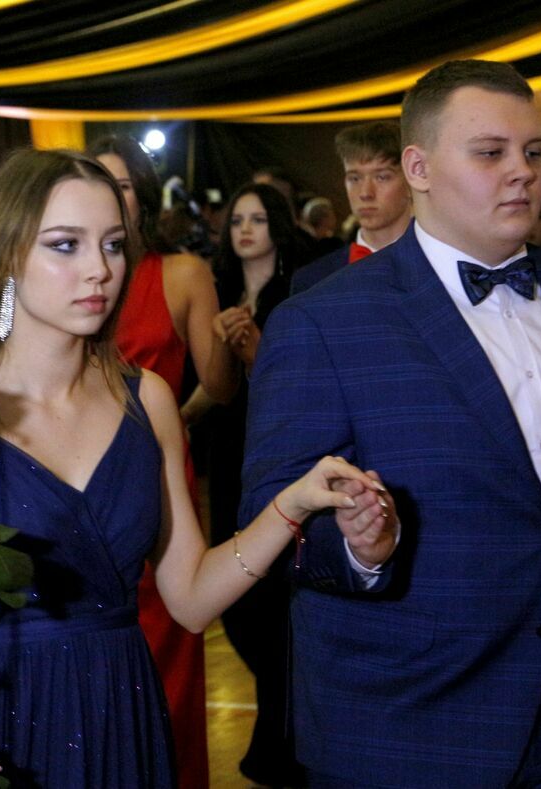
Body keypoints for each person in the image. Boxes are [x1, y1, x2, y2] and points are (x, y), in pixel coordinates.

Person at [0, 147, 384, 789]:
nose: (100, 270)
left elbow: (191, 598)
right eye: (66, 245)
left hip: (127, 719)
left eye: (113, 245)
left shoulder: (148, 401)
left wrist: (292, 504)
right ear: (6, 255)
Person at [242, 60, 541, 785]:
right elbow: (273, 527)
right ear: (419, 168)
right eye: (490, 152)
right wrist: (362, 548)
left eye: (533, 151)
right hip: (414, 714)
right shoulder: (322, 322)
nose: (522, 172)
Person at [88, 134, 237, 788]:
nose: (109, 198)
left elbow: (219, 386)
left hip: (154, 481)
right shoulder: (53, 271)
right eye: (97, 183)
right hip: (71, 481)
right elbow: (9, 349)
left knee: (167, 652)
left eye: (121, 186)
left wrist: (225, 348)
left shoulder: (181, 272)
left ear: (141, 197)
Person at [199, 182, 315, 786]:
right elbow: (216, 388)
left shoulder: (296, 292)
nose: (245, 229)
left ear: (278, 226)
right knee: (234, 597)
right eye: (237, 220)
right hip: (228, 449)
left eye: (258, 219)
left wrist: (254, 350)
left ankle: (282, 738)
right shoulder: (219, 291)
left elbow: (293, 385)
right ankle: (280, 729)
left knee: (268, 597)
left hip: (277, 451)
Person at [291, 121, 411, 295]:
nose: (365, 193)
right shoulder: (313, 280)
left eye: (382, 177)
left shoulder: (443, 265)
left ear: (411, 180)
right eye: (355, 178)